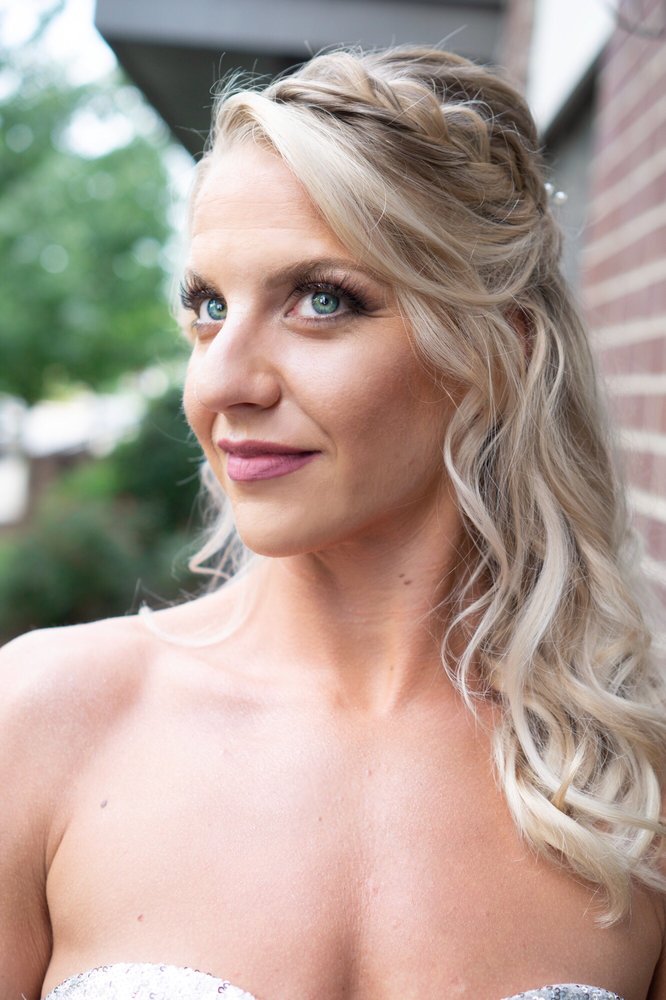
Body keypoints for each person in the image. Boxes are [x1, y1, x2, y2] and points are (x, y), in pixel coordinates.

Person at [1, 45, 664, 1000]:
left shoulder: (631, 789)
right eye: (208, 307)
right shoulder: (40, 723)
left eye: (322, 301)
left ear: (497, 351)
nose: (220, 383)